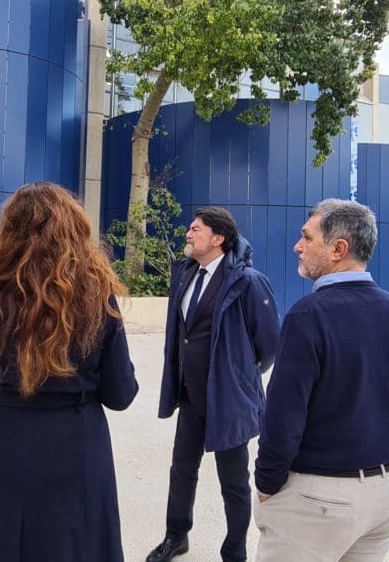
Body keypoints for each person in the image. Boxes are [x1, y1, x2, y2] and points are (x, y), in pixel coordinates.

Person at [0, 182, 139, 562]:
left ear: (9, 231)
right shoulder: (96, 292)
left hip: (0, 443)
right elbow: (120, 394)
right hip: (75, 445)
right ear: (75, 229)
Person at [253, 199, 389, 561]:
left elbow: (283, 418)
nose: (298, 246)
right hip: (385, 496)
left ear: (339, 249)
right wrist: (385, 467)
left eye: (307, 237)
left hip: (318, 501)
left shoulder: (308, 316)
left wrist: (266, 483)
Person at [146, 207, 280, 562]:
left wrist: (240, 375)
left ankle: (234, 550)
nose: (188, 234)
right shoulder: (186, 273)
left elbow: (269, 343)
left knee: (233, 482)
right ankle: (176, 537)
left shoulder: (248, 281)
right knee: (182, 470)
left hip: (228, 400)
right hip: (190, 396)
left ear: (218, 238)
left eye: (195, 229)